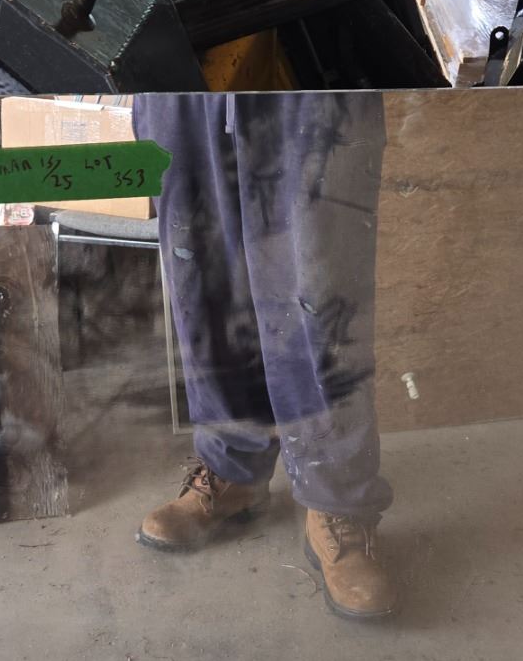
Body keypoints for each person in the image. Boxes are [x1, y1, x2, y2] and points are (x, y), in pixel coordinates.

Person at [131, 91, 395, 620]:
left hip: (305, 77)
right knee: (200, 262)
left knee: (321, 278)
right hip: (178, 75)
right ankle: (233, 469)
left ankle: (336, 500)